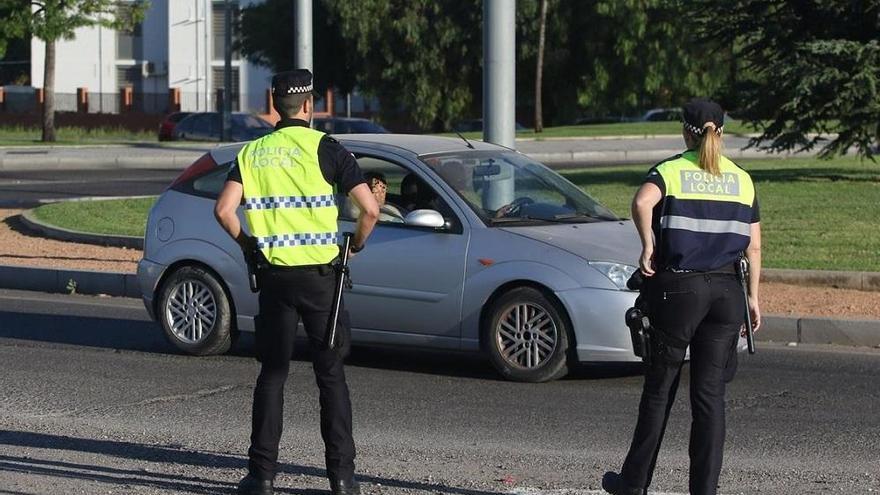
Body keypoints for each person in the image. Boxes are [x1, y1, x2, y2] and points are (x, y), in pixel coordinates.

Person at [214, 69, 380, 495]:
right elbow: (370, 210)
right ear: (309, 106)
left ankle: (261, 477)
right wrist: (355, 245)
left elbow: (224, 211)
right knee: (331, 376)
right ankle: (342, 478)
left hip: (274, 279)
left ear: (274, 105)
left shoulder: (252, 153)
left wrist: (250, 246)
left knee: (272, 374)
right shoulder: (327, 149)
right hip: (323, 279)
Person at [602, 98, 762, 495]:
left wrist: (646, 244)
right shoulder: (742, 178)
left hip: (680, 291)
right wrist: (754, 298)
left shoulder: (672, 170)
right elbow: (754, 248)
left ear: (686, 131)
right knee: (710, 398)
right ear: (720, 132)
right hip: (728, 294)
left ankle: (633, 484)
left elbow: (641, 202)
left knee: (660, 390)